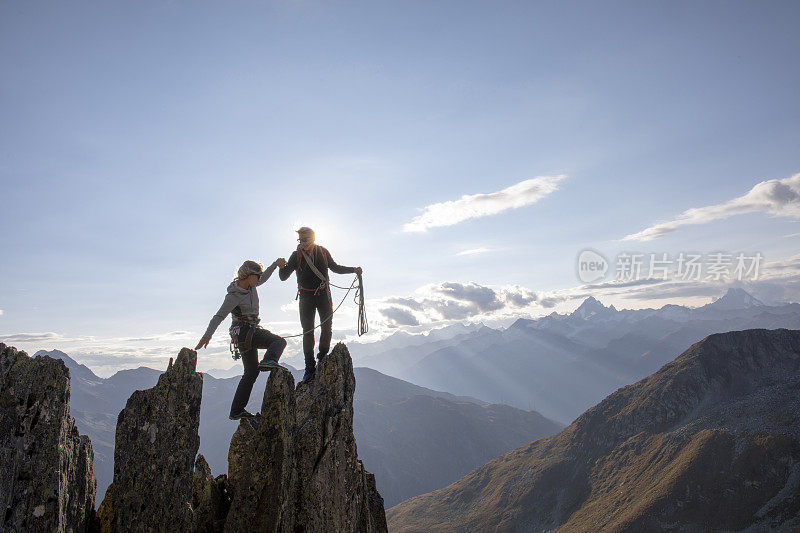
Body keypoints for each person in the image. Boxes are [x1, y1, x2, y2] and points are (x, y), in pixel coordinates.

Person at [195, 258, 288, 420]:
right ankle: (269, 361)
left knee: (251, 372)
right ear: (249, 275)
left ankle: (237, 410)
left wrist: (275, 264)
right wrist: (206, 336)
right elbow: (219, 316)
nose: (259, 279)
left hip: (243, 333)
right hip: (245, 331)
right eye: (257, 276)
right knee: (279, 342)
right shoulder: (234, 295)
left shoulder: (252, 285)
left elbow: (264, 277)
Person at [279, 227, 361, 383]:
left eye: (305, 239)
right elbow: (283, 277)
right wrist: (281, 266)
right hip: (306, 297)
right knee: (308, 331)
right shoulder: (296, 256)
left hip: (323, 294)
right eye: (300, 240)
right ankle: (309, 367)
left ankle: (322, 358)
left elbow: (335, 268)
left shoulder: (322, 252)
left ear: (313, 238)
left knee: (326, 327)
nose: (302, 243)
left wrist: (353, 270)